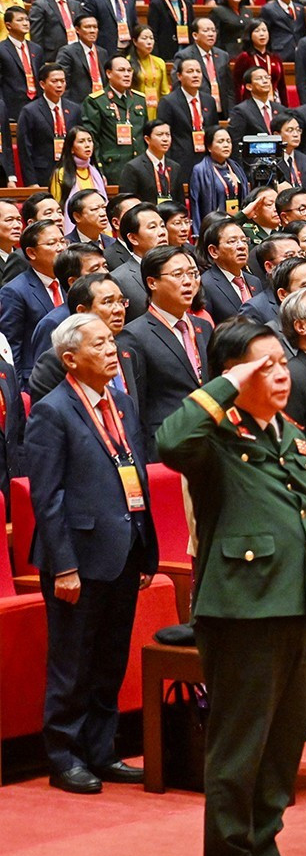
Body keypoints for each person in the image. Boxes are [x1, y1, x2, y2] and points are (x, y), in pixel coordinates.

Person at [157, 319, 306, 856]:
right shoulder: (214, 438)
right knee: (239, 747)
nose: (280, 374)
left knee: (283, 745)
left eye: (283, 363)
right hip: (240, 612)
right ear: (233, 373)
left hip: (293, 606)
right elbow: (169, 442)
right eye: (264, 366)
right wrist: (227, 384)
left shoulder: (289, 434)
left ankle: (266, 851)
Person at [27, 312, 158, 794]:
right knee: (73, 662)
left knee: (109, 659)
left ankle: (102, 752)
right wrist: (63, 565)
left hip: (123, 549)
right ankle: (64, 756)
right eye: (100, 344)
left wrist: (146, 549)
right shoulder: (52, 410)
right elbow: (47, 496)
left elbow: (134, 472)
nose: (111, 349)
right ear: (69, 359)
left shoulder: (120, 402)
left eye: (111, 342)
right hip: (77, 558)